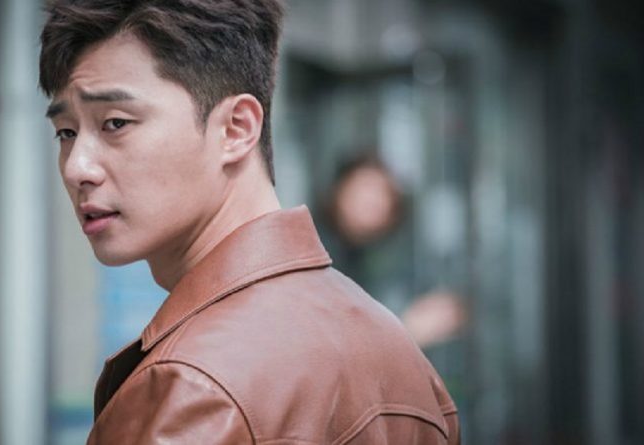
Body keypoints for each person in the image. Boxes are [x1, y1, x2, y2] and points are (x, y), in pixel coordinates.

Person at [39, 1, 459, 443]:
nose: (76, 167)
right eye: (66, 132)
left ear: (235, 129)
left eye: (115, 123)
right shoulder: (400, 355)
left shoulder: (191, 387)